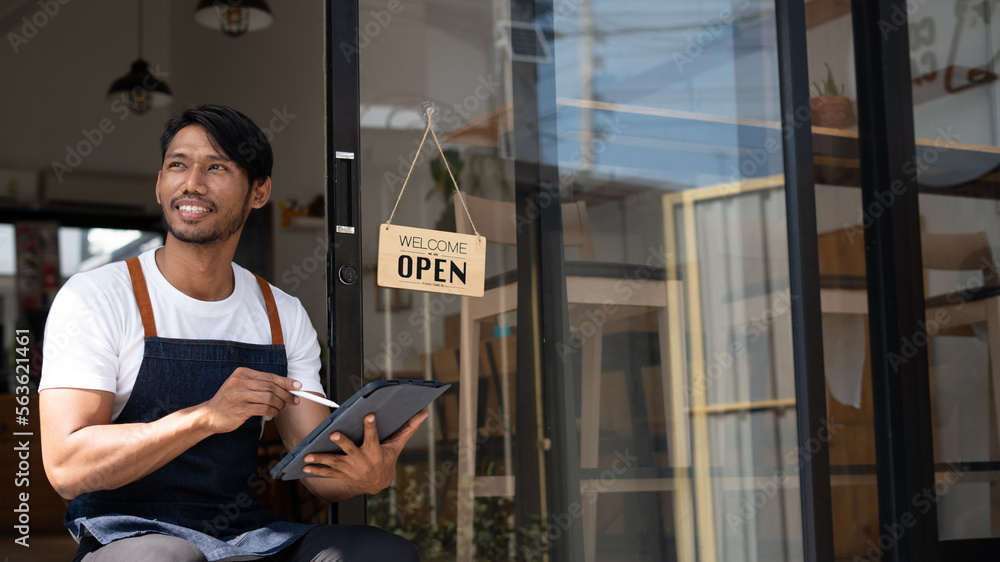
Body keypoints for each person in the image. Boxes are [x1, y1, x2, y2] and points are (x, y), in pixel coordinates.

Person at [39, 104, 427, 562]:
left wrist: (367, 474)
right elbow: (66, 466)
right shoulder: (97, 296)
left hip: (242, 531)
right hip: (125, 533)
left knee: (381, 553)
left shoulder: (280, 313)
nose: (191, 183)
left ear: (259, 191)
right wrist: (207, 416)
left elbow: (317, 471)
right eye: (177, 165)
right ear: (160, 183)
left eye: (216, 166)